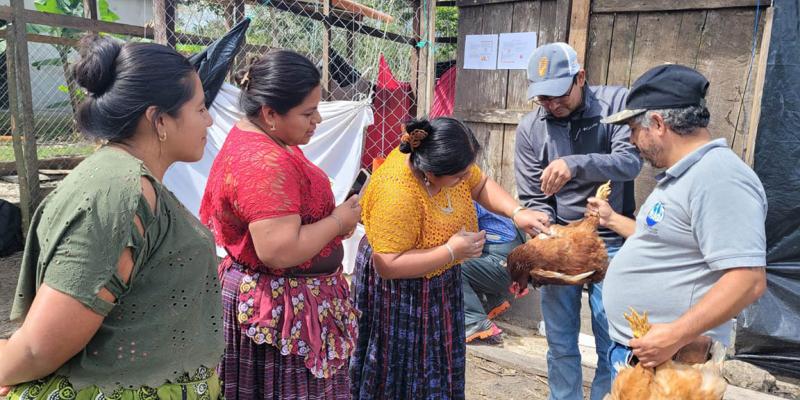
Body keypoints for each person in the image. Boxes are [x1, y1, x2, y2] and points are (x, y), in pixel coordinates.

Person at [0, 35, 222, 399]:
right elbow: (41, 346)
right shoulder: (122, 192)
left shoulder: (128, 181)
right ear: (159, 119)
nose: (209, 120)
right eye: (200, 109)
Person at [199, 50, 361, 400]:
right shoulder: (264, 161)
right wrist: (336, 222)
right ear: (270, 113)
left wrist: (328, 223)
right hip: (280, 311)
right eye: (307, 113)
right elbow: (279, 250)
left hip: (287, 303)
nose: (317, 119)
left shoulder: (269, 140)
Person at [350, 117, 548, 399]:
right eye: (459, 176)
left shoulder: (446, 164)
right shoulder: (397, 193)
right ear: (430, 173)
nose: (466, 179)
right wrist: (451, 251)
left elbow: (480, 184)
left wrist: (517, 213)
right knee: (403, 369)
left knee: (436, 361)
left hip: (439, 279)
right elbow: (388, 264)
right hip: (399, 290)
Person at [588, 64, 767, 374]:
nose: (631, 140)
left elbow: (748, 280)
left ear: (658, 123)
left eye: (633, 129)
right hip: (651, 354)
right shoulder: (686, 176)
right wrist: (613, 220)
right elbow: (665, 241)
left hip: (674, 360)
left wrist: (674, 335)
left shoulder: (720, 178)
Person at [514, 42, 642, 400]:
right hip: (560, 242)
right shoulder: (530, 129)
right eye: (543, 98)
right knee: (560, 341)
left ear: (580, 77)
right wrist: (543, 226)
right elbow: (534, 197)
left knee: (612, 339)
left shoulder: (615, 105)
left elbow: (630, 163)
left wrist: (575, 164)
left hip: (610, 239)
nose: (552, 104)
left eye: (559, 94)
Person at [462, 202, 524, 344]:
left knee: (453, 267)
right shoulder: (489, 198)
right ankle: (494, 301)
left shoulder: (466, 200)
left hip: (502, 263)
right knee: (471, 259)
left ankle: (475, 322)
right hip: (510, 261)